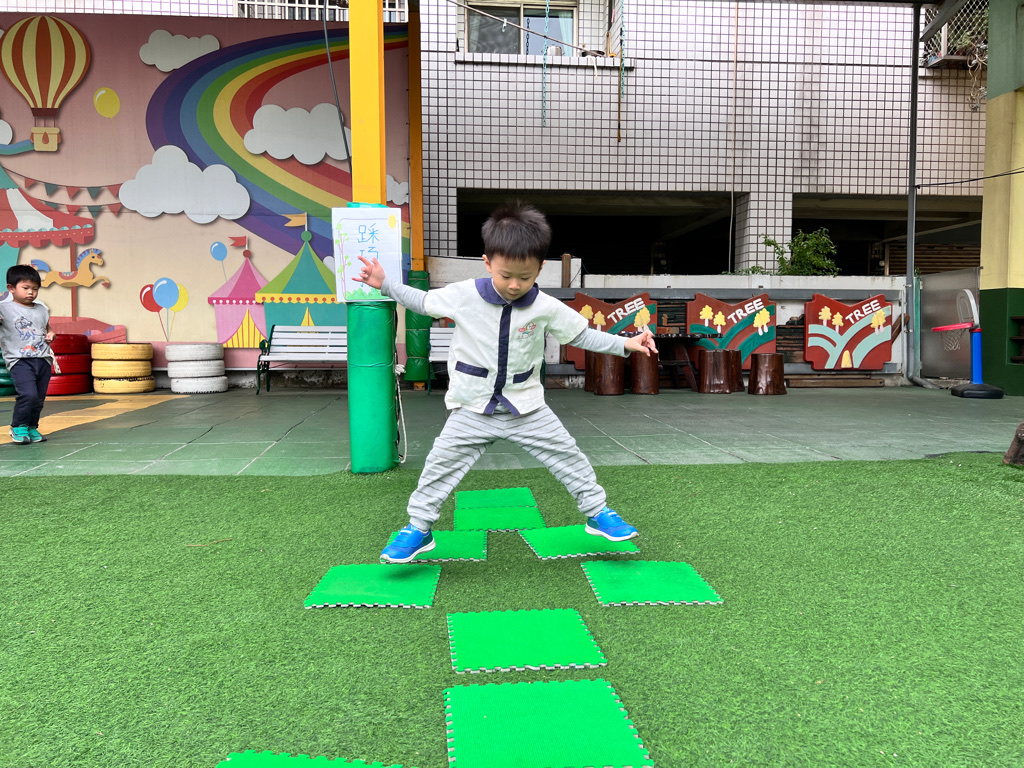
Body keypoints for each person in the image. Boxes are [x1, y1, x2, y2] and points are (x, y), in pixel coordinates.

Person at [355, 202, 657, 563]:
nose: (515, 285)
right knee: (440, 465)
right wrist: (385, 284)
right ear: (487, 263)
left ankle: (597, 513)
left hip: (526, 407)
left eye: (525, 277)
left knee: (568, 456)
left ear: (540, 269)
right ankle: (418, 529)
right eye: (506, 275)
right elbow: (422, 301)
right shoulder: (464, 294)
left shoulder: (545, 306)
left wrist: (626, 344)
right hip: (473, 407)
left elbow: (581, 335)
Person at [0, 265, 57, 444]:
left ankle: (32, 426)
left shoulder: (41, 308)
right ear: (11, 288)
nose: (31, 292)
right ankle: (18, 426)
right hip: (19, 360)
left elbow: (46, 327)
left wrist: (51, 334)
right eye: (25, 288)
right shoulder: (3, 308)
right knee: (28, 394)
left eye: (35, 289)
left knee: (38, 398)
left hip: (43, 358)